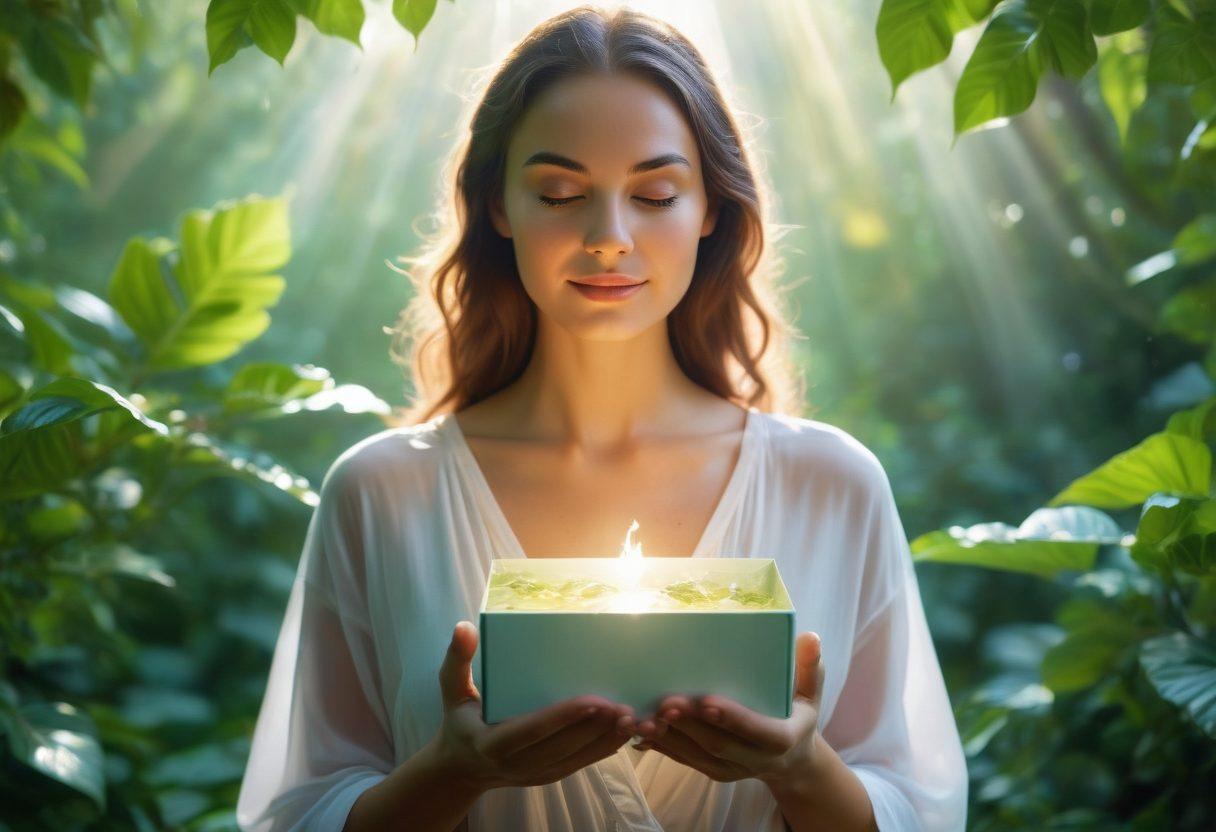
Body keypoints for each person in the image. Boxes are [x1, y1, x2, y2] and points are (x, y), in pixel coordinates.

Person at [235, 5, 968, 831]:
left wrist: (803, 770)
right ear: (500, 205)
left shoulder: (831, 486)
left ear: (712, 209)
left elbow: (916, 807)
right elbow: (300, 813)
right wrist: (451, 773)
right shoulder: (384, 493)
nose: (609, 237)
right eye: (560, 192)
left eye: (655, 194)